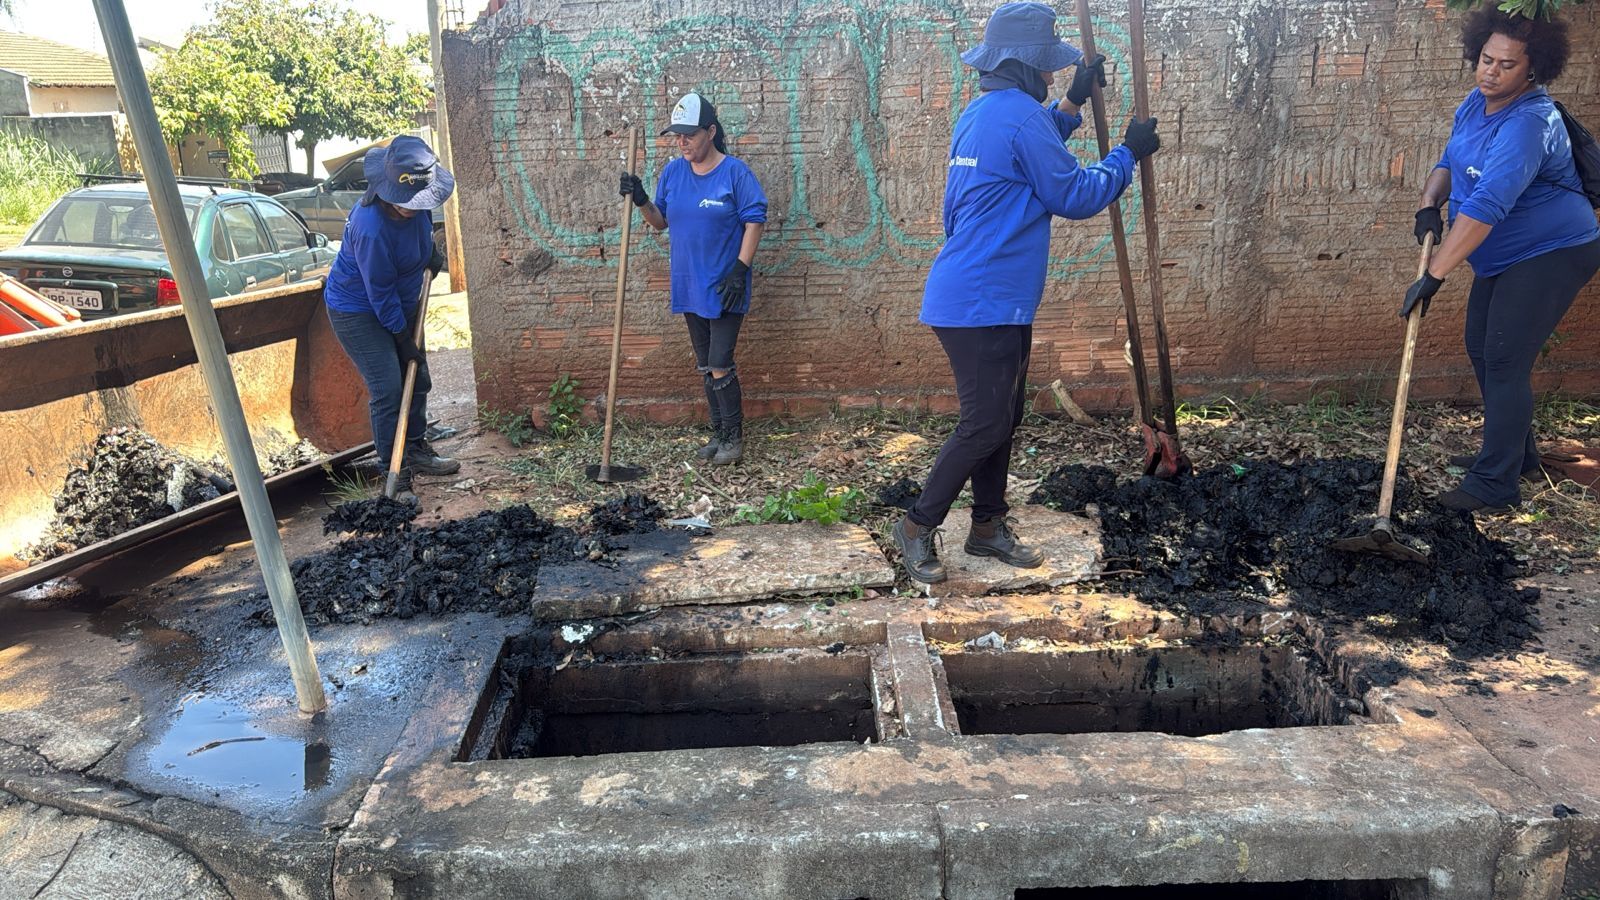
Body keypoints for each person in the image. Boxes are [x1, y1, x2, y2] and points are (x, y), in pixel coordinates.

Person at [892, 1, 1161, 584]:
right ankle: (916, 525)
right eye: (1045, 70)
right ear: (1019, 66)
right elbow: (1074, 194)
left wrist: (1073, 100)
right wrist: (1128, 154)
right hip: (983, 298)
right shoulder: (1017, 117)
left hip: (984, 295)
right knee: (986, 422)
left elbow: (1032, 153)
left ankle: (987, 528)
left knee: (1002, 414)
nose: (1049, 78)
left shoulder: (985, 113)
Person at [1407, 3, 1599, 512]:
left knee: (1505, 358)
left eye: (1506, 65)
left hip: (1553, 251)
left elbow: (1490, 203)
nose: (1491, 71)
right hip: (1504, 257)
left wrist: (1433, 274)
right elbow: (1451, 160)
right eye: (1486, 59)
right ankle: (1519, 457)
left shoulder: (1530, 123)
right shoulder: (1476, 101)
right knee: (1481, 346)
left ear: (1533, 68)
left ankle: (1496, 485)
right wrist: (1430, 204)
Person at [620, 92, 768, 465]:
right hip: (688, 283)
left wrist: (741, 269)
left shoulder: (734, 172)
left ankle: (734, 438)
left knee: (720, 360)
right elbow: (661, 221)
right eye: (677, 136)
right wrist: (640, 200)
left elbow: (755, 219)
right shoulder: (672, 172)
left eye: (690, 134)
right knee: (705, 363)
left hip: (725, 285)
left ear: (711, 132)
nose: (682, 142)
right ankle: (719, 435)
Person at [323, 135, 460, 489]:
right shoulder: (371, 228)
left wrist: (429, 252)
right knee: (388, 387)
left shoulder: (417, 203)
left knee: (418, 376)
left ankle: (415, 448)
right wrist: (400, 337)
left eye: (419, 201)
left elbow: (419, 234)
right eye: (406, 202)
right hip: (358, 310)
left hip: (401, 299)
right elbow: (378, 293)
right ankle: (392, 472)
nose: (413, 207)